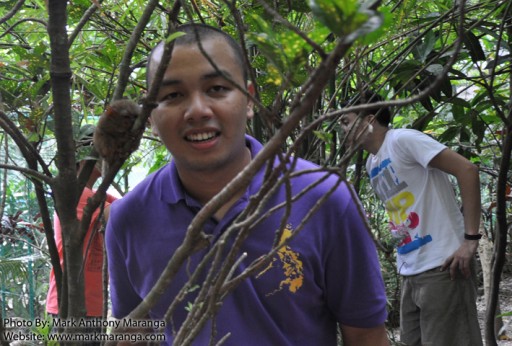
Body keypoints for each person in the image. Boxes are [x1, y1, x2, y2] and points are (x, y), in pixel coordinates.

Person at [105, 23, 389, 345]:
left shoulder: (325, 197)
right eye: (173, 95)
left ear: (249, 100)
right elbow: (134, 330)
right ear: (151, 116)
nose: (198, 110)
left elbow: (366, 334)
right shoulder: (129, 218)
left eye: (217, 89)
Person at [340, 91, 483, 346]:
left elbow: (467, 169)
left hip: (443, 264)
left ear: (369, 120)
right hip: (410, 270)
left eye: (346, 121)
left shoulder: (403, 140)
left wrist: (470, 240)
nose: (342, 130)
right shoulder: (374, 163)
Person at [46, 125, 118, 342]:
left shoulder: (98, 195)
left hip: (92, 307)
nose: (112, 155)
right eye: (106, 149)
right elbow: (124, 215)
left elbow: (134, 209)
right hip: (68, 307)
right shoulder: (76, 194)